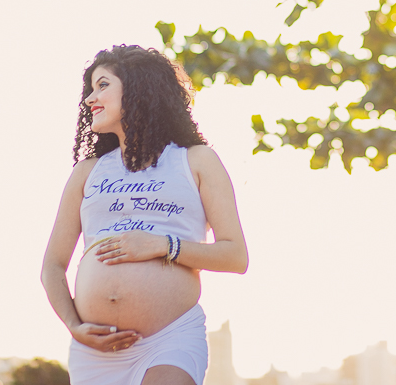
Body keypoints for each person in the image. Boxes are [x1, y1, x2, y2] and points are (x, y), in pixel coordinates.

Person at [41, 45, 248, 385]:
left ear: (139, 88)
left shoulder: (196, 160)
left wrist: (161, 245)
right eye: (91, 88)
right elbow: (52, 266)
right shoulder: (86, 172)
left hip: (170, 338)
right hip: (97, 352)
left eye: (103, 85)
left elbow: (235, 256)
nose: (90, 98)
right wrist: (74, 326)